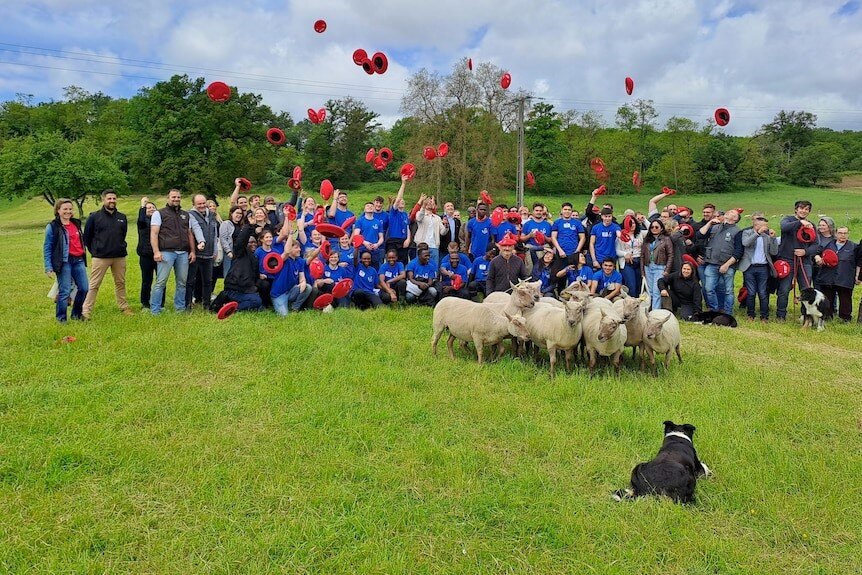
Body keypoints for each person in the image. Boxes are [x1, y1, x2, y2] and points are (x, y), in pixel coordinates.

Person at [81, 189, 131, 319]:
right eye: (109, 199)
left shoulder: (122, 217)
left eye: (114, 198)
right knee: (94, 284)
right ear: (103, 200)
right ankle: (86, 310)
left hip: (119, 256)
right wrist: (95, 250)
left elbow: (123, 235)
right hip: (100, 257)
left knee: (120, 283)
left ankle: (124, 307)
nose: (112, 201)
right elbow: (87, 237)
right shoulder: (94, 217)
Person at [150, 189, 198, 315]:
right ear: (168, 198)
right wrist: (156, 252)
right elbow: (154, 233)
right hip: (166, 252)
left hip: (183, 253)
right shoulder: (159, 213)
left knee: (182, 283)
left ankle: (180, 308)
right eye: (173, 197)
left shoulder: (185, 215)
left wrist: (192, 251)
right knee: (161, 282)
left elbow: (189, 234)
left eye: (178, 197)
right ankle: (155, 309)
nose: (176, 199)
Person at [43, 198, 89, 322]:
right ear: (58, 210)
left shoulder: (76, 223)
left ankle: (76, 315)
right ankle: (61, 319)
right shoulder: (53, 227)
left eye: (70, 209)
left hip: (78, 260)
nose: (68, 211)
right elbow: (47, 247)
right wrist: (48, 267)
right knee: (65, 291)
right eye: (65, 209)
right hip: (64, 262)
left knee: (84, 288)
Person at [775, 200, 820, 322]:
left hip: (804, 261)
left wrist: (805, 251)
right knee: (784, 289)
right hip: (787, 260)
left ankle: (805, 316)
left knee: (806, 289)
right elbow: (784, 227)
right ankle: (780, 315)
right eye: (801, 208)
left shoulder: (811, 225)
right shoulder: (787, 220)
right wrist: (800, 222)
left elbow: (816, 245)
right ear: (796, 209)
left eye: (806, 209)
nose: (804, 211)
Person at [698, 208, 741, 315]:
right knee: (708, 289)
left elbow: (738, 252)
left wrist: (726, 265)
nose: (729, 212)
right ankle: (714, 310)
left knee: (728, 291)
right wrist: (709, 223)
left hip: (728, 266)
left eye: (732, 212)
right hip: (712, 263)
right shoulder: (715, 227)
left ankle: (727, 313)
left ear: (735, 219)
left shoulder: (738, 231)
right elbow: (700, 235)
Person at [739, 212, 778, 321]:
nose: (766, 228)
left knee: (762, 292)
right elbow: (745, 243)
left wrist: (773, 239)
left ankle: (764, 316)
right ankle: (750, 315)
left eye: (766, 226)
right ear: (756, 225)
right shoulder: (747, 232)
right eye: (764, 226)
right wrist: (757, 233)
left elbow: (774, 252)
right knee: (751, 292)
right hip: (749, 267)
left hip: (763, 268)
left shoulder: (767, 237)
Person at [270, 218, 312, 315]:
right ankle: (283, 305)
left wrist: (303, 283)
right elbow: (287, 251)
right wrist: (291, 235)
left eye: (299, 248)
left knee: (308, 287)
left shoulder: (299, 261)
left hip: (291, 291)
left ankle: (294, 308)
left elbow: (302, 278)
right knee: (284, 316)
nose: (299, 250)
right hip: (279, 294)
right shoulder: (283, 259)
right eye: (296, 248)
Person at [220, 222, 263, 312]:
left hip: (246, 289)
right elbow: (241, 240)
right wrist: (249, 226)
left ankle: (232, 303)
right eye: (250, 242)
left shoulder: (254, 257)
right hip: (234, 289)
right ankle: (231, 309)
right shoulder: (240, 253)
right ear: (245, 244)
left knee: (259, 303)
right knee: (256, 301)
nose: (253, 244)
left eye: (255, 242)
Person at [817, 227, 857, 322]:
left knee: (845, 298)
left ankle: (845, 318)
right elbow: (817, 253)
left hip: (845, 276)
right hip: (828, 276)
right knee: (827, 298)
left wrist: (857, 276)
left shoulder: (854, 247)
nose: (843, 235)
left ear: (848, 234)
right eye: (840, 233)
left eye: (845, 233)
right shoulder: (828, 244)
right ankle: (827, 317)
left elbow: (859, 262)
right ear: (836, 234)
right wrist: (817, 258)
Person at [186, 193, 219, 309]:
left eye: (204, 203)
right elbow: (194, 230)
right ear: (194, 204)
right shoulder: (190, 215)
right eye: (199, 204)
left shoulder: (212, 215)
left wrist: (215, 251)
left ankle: (207, 304)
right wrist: (200, 243)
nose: (202, 205)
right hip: (196, 254)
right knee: (190, 281)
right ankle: (188, 304)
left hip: (209, 255)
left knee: (208, 281)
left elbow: (215, 234)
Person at [550, 202, 586, 291]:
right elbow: (553, 237)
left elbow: (582, 237)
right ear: (562, 211)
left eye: (569, 210)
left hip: (573, 253)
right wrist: (559, 250)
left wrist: (577, 250)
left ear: (571, 211)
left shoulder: (577, 223)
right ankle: (560, 293)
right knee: (560, 275)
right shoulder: (557, 222)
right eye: (565, 209)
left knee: (573, 274)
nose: (567, 211)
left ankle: (574, 292)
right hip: (561, 253)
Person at [641, 219, 674, 311]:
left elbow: (670, 255)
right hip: (648, 267)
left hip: (660, 267)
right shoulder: (647, 239)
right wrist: (642, 271)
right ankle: (649, 309)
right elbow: (642, 256)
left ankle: (655, 312)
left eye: (656, 227)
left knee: (656, 291)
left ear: (661, 228)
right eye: (652, 227)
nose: (654, 229)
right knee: (650, 291)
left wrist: (667, 270)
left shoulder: (666, 239)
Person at [616, 210, 645, 297]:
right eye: (630, 223)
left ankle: (638, 302)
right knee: (631, 286)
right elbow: (617, 250)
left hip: (639, 261)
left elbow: (653, 229)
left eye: (634, 223)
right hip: (627, 262)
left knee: (639, 285)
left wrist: (644, 220)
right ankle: (631, 302)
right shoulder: (621, 235)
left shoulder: (640, 234)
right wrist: (625, 254)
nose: (632, 225)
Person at [413, 194, 446, 269]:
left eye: (431, 202)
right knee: (420, 266)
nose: (430, 203)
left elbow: (442, 232)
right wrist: (423, 206)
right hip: (422, 245)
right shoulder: (420, 214)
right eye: (428, 202)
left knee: (434, 267)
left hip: (434, 246)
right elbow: (419, 218)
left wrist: (446, 226)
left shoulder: (437, 218)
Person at [137, 197, 158, 309]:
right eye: (148, 208)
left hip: (158, 254)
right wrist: (142, 206)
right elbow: (141, 220)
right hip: (146, 254)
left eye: (153, 207)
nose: (151, 209)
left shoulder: (159, 222)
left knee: (161, 280)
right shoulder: (142, 222)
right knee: (147, 280)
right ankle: (145, 303)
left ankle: (160, 303)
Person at [385, 176, 412, 264]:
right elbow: (398, 198)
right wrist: (403, 183)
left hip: (403, 241)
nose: (402, 201)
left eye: (403, 201)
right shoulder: (393, 212)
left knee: (403, 263)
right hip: (393, 241)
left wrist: (408, 239)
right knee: (392, 263)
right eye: (400, 201)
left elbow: (407, 227)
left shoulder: (405, 214)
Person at [589, 207, 622, 271]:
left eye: (609, 216)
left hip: (611, 258)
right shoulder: (595, 227)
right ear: (602, 216)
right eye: (605, 216)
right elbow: (591, 244)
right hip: (599, 257)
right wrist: (594, 260)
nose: (607, 218)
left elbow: (618, 232)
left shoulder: (615, 226)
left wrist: (619, 234)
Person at [354, 202, 385, 268]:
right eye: (367, 206)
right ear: (364, 209)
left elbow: (381, 237)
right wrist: (365, 243)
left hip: (375, 250)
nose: (370, 207)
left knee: (375, 269)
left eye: (371, 206)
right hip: (363, 249)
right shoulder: (359, 221)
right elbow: (356, 235)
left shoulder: (378, 222)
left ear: (374, 209)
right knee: (362, 269)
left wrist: (377, 244)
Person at [521, 202, 552, 267]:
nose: (538, 212)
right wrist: (529, 235)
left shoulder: (547, 224)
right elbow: (521, 238)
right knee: (530, 269)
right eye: (536, 210)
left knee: (543, 268)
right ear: (533, 212)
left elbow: (551, 240)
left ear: (543, 212)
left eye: (540, 211)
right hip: (530, 248)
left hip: (543, 249)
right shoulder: (527, 224)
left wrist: (544, 237)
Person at [219, 205, 245, 278]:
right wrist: (228, 252)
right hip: (229, 254)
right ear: (231, 213)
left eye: (240, 213)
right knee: (228, 274)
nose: (239, 215)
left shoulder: (242, 226)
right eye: (237, 213)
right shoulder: (226, 224)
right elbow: (223, 239)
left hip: (240, 254)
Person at [813, 216, 836, 291]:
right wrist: (816, 256)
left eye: (823, 225)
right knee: (818, 288)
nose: (820, 227)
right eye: (819, 225)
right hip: (816, 267)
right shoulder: (815, 237)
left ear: (829, 226)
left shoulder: (835, 239)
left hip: (830, 268)